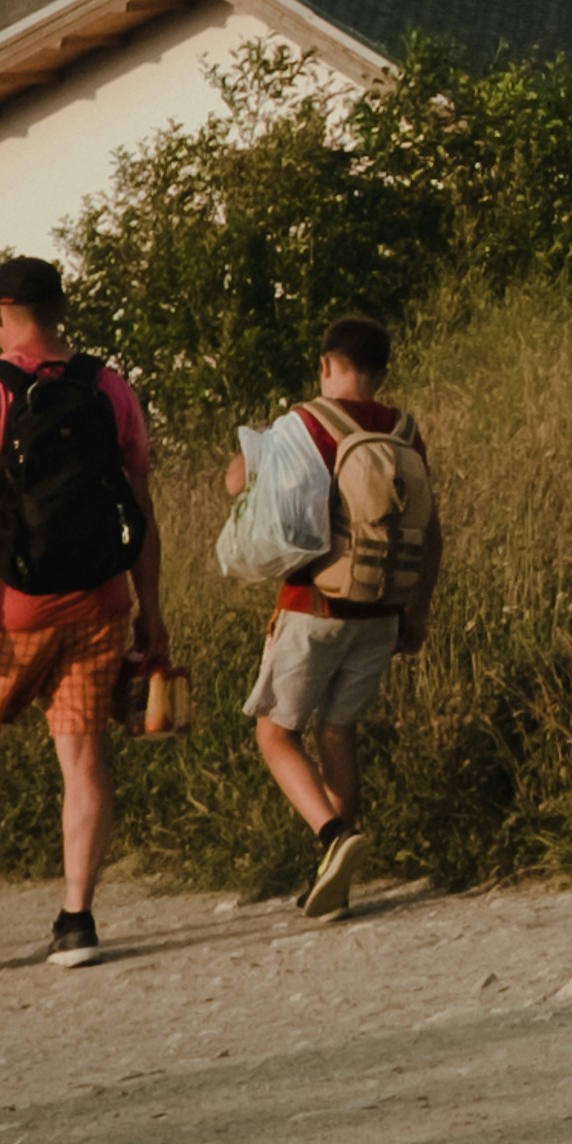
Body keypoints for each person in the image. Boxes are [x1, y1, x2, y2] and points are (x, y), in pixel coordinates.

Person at [0, 255, 159, 972]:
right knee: (81, 755)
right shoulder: (111, 389)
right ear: (60, 310)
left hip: (1, 612)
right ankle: (76, 920)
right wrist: (152, 615)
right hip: (99, 600)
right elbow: (141, 512)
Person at [235, 310, 437, 923]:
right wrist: (416, 609)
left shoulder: (306, 423)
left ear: (326, 365)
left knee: (274, 732)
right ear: (381, 372)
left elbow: (256, 496)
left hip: (313, 606)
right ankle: (337, 882)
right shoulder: (405, 432)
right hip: (382, 610)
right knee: (337, 733)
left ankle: (331, 836)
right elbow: (431, 532)